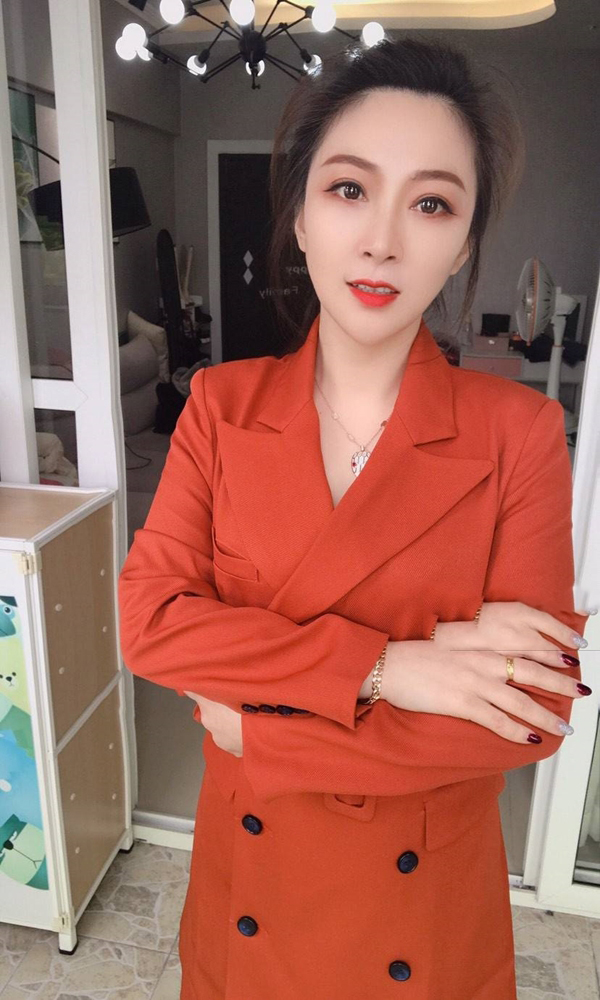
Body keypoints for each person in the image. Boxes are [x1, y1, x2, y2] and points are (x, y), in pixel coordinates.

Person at [117, 35, 592, 1000]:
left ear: (465, 242)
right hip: (250, 899)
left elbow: (528, 717)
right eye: (348, 189)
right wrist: (392, 669)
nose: (382, 241)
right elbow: (151, 624)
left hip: (420, 926)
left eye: (431, 204)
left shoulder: (520, 433)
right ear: (299, 216)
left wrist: (265, 731)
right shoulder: (220, 406)